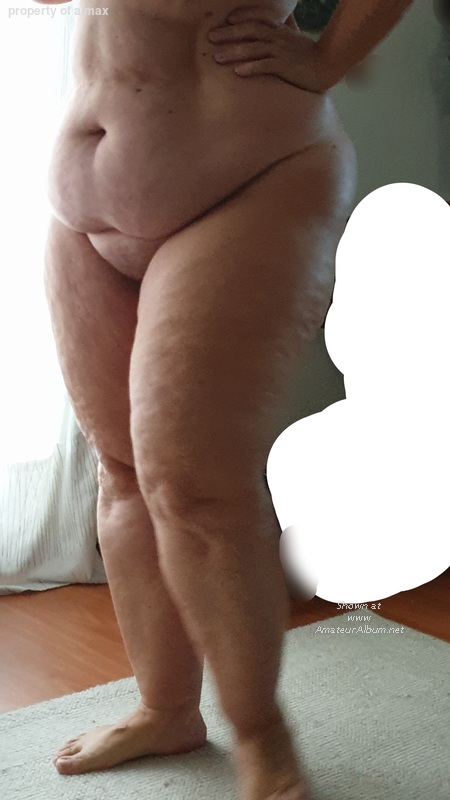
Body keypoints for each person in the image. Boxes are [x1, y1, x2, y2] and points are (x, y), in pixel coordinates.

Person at [38, 1, 414, 797]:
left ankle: (264, 743)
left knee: (196, 487)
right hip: (84, 214)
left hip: (252, 178)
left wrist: (325, 58)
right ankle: (165, 709)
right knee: (123, 471)